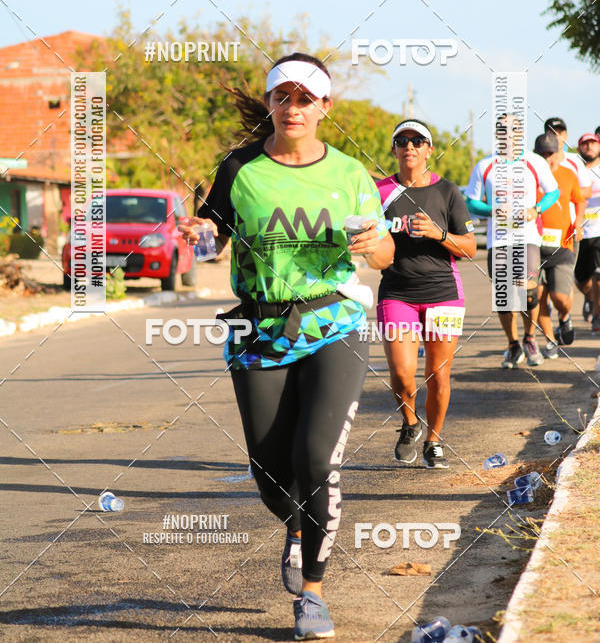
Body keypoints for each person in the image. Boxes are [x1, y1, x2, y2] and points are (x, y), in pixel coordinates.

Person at [180, 53, 393, 641]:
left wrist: (375, 246)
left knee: (317, 458)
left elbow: (383, 256)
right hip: (257, 330)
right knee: (271, 473)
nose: (293, 108)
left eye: (305, 99)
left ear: (325, 107)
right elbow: (211, 242)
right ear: (271, 103)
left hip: (333, 323)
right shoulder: (240, 169)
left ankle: (314, 595)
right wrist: (199, 237)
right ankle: (298, 530)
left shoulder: (350, 174)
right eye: (283, 97)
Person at [376, 119, 476, 469]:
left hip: (443, 292)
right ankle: (410, 423)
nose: (410, 147)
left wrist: (438, 234)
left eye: (418, 141)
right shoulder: (379, 191)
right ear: (394, 149)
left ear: (429, 150)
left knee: (438, 374)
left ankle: (434, 440)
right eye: (402, 140)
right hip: (397, 292)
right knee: (403, 373)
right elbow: (368, 237)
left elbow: (470, 248)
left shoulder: (447, 191)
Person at [466, 114, 558, 368]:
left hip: (527, 237)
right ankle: (512, 343)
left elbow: (553, 191)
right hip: (499, 240)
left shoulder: (534, 161)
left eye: (514, 128)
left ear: (521, 132)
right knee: (505, 297)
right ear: (497, 133)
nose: (508, 133)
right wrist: (493, 210)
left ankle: (530, 338)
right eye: (503, 129)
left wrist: (536, 210)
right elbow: (471, 201)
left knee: (528, 292)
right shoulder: (485, 165)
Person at [533, 133, 584, 357]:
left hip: (562, 243)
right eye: (541, 153)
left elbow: (580, 200)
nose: (546, 158)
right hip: (533, 244)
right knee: (538, 295)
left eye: (550, 153)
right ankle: (550, 340)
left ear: (557, 154)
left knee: (560, 297)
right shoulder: (528, 176)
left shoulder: (568, 174)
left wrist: (579, 223)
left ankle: (564, 317)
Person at [575, 133, 600, 335]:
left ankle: (597, 315)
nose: (589, 147)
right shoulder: (575, 173)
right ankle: (592, 299)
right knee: (579, 278)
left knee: (598, 274)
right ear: (579, 149)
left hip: (599, 231)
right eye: (585, 144)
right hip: (580, 232)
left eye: (593, 143)